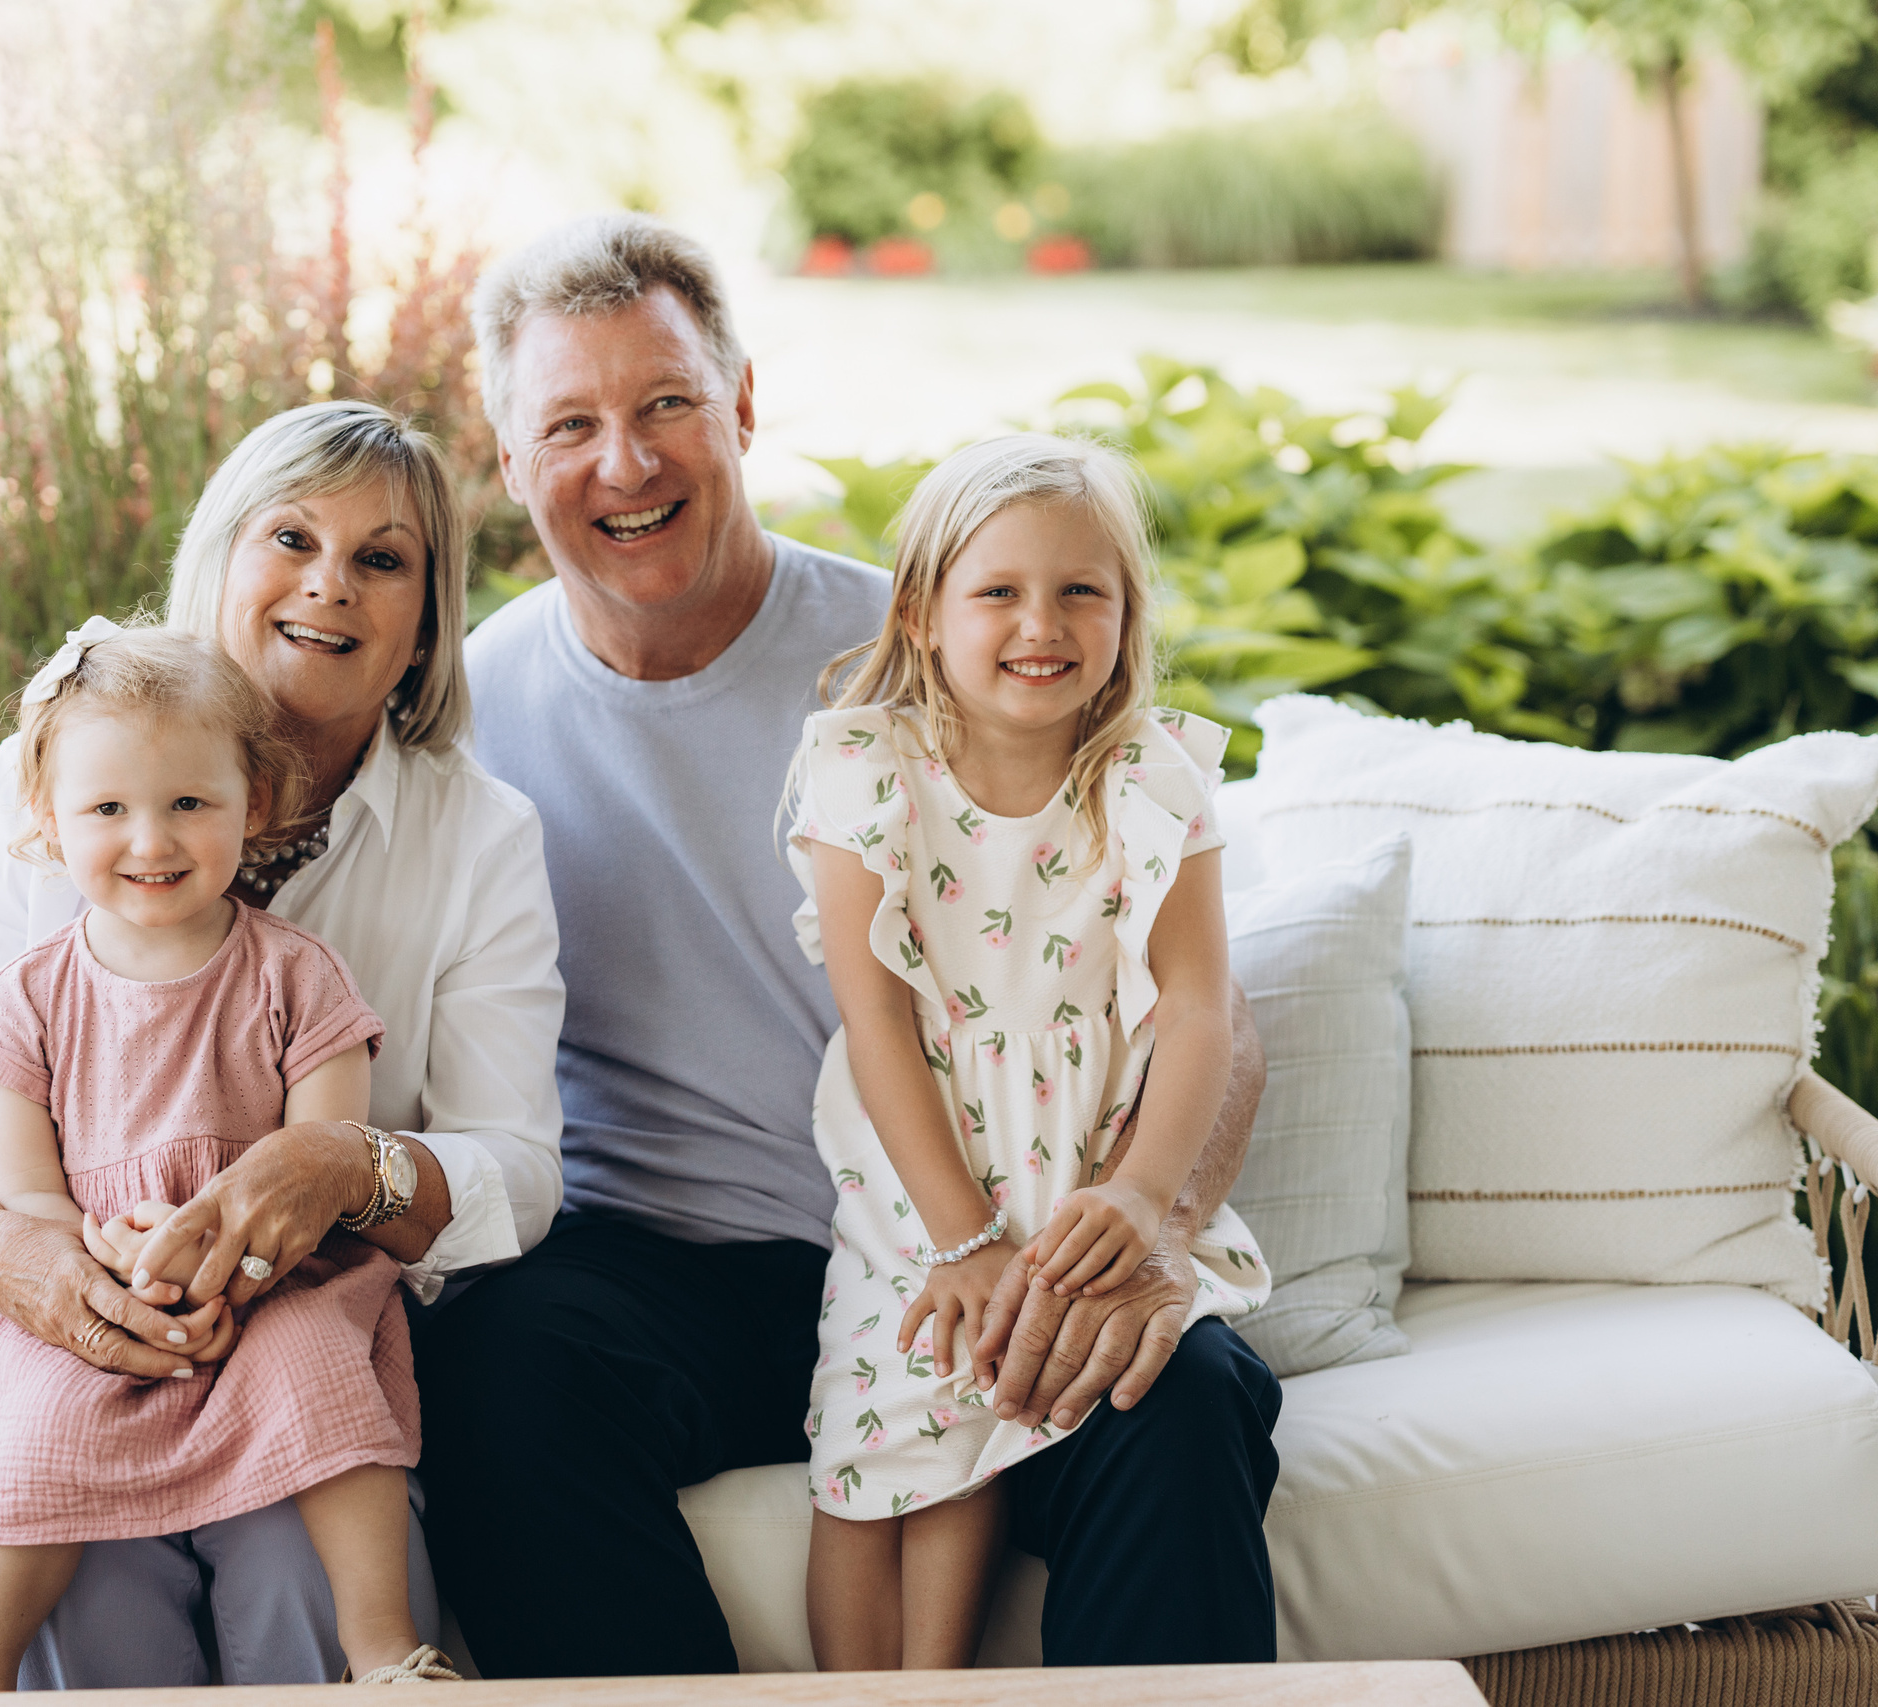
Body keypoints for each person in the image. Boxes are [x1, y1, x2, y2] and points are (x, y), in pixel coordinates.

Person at [429, 214, 1281, 1675]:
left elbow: (1206, 1010)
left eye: (668, 406)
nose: (625, 464)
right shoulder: (470, 709)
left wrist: (1153, 1223)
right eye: (569, 424)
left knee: (1184, 1392)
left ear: (744, 403)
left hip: (992, 1243)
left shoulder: (933, 649)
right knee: (504, 1370)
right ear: (508, 461)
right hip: (662, 1269)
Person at [0, 402, 566, 1688]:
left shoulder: (481, 837)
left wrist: (350, 1169)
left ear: (423, 624)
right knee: (77, 1553)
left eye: (382, 560)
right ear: (221, 561)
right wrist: (20, 1249)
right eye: (289, 537)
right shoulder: (61, 772)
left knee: (305, 1563)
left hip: (290, 1316)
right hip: (83, 1295)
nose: (328, 585)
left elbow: (518, 1164)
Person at [0, 624, 458, 1690]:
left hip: (269, 1270)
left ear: (256, 806)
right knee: (34, 1414)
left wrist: (220, 1251)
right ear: (49, 825)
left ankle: (381, 1645)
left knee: (320, 1378)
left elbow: (321, 1157)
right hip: (89, 1278)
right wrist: (99, 1249)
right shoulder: (26, 997)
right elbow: (22, 1191)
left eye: (188, 803)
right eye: (108, 810)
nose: (150, 838)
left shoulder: (298, 978)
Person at [785, 434, 1270, 1670]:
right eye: (997, 590)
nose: (1038, 624)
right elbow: (876, 1018)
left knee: (983, 1438)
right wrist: (960, 1238)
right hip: (922, 1199)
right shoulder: (865, 774)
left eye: (1080, 592)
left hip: (1089, 1197)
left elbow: (1199, 1007)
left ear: (1127, 613)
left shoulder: (1151, 780)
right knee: (880, 1450)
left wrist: (1144, 1198)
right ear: (923, 611)